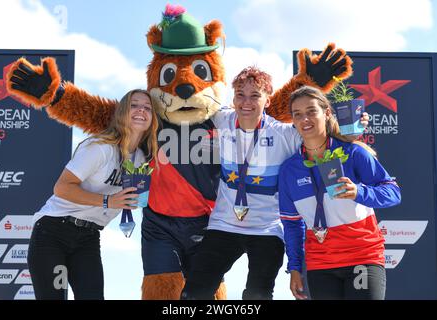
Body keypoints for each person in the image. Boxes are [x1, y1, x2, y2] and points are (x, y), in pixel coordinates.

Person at [180, 67, 369, 300]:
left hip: (267, 229)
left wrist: (352, 128)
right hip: (223, 226)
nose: (246, 102)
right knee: (193, 294)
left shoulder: (284, 134)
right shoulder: (222, 118)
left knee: (257, 295)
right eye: (240, 94)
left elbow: (320, 134)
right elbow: (188, 104)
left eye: (255, 95)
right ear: (233, 97)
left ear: (268, 99)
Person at [27, 89, 159, 300]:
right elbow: (61, 188)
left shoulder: (142, 159)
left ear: (153, 119)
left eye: (147, 108)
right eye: (134, 105)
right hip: (54, 233)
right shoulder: (100, 148)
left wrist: (131, 200)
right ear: (122, 112)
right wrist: (108, 201)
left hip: (88, 238)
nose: (141, 110)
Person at [278, 85, 401, 300]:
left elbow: (393, 193)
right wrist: (295, 267)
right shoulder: (290, 169)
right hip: (320, 263)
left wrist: (359, 192)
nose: (305, 119)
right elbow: (292, 223)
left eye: (311, 111)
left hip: (362, 256)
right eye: (298, 114)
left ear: (326, 113)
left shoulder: (353, 153)